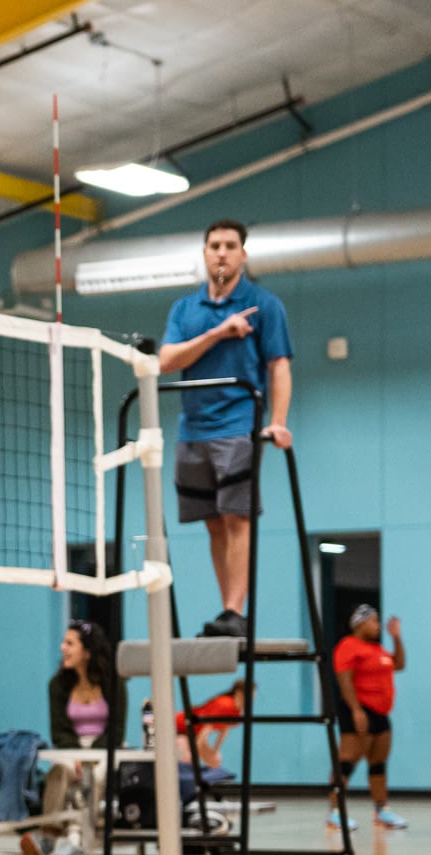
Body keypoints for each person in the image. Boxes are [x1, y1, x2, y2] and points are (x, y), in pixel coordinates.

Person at [158, 219, 293, 638]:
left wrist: (277, 423)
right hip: (192, 430)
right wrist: (219, 332)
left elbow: (279, 366)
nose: (221, 252)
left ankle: (235, 610)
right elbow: (166, 361)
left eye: (230, 246)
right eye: (214, 245)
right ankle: (228, 610)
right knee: (212, 522)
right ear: (204, 253)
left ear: (243, 255)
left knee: (237, 518)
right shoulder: (184, 309)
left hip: (239, 426)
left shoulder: (264, 304)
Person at [25, 620, 123, 855]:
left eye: (70, 643)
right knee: (59, 770)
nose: (62, 648)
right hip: (71, 747)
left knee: (96, 777)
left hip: (104, 749)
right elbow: (59, 731)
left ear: (87, 651)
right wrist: (76, 755)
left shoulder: (115, 683)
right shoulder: (57, 684)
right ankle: (50, 834)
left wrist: (90, 758)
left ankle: (76, 839)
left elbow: (116, 728)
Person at [331, 605, 407, 831]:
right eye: (374, 621)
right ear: (359, 623)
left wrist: (396, 638)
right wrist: (356, 710)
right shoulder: (348, 646)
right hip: (358, 710)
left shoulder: (378, 649)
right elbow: (344, 681)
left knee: (378, 763)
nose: (377, 625)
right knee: (347, 762)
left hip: (381, 713)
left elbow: (399, 664)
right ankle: (335, 812)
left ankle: (382, 810)